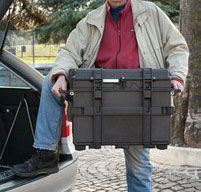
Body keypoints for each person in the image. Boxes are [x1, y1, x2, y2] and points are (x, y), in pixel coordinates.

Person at [13, 0, 189, 191]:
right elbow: (69, 52)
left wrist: (177, 76)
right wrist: (61, 74)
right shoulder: (91, 20)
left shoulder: (151, 12)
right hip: (99, 94)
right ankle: (45, 154)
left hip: (139, 96)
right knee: (50, 82)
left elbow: (177, 47)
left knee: (139, 168)